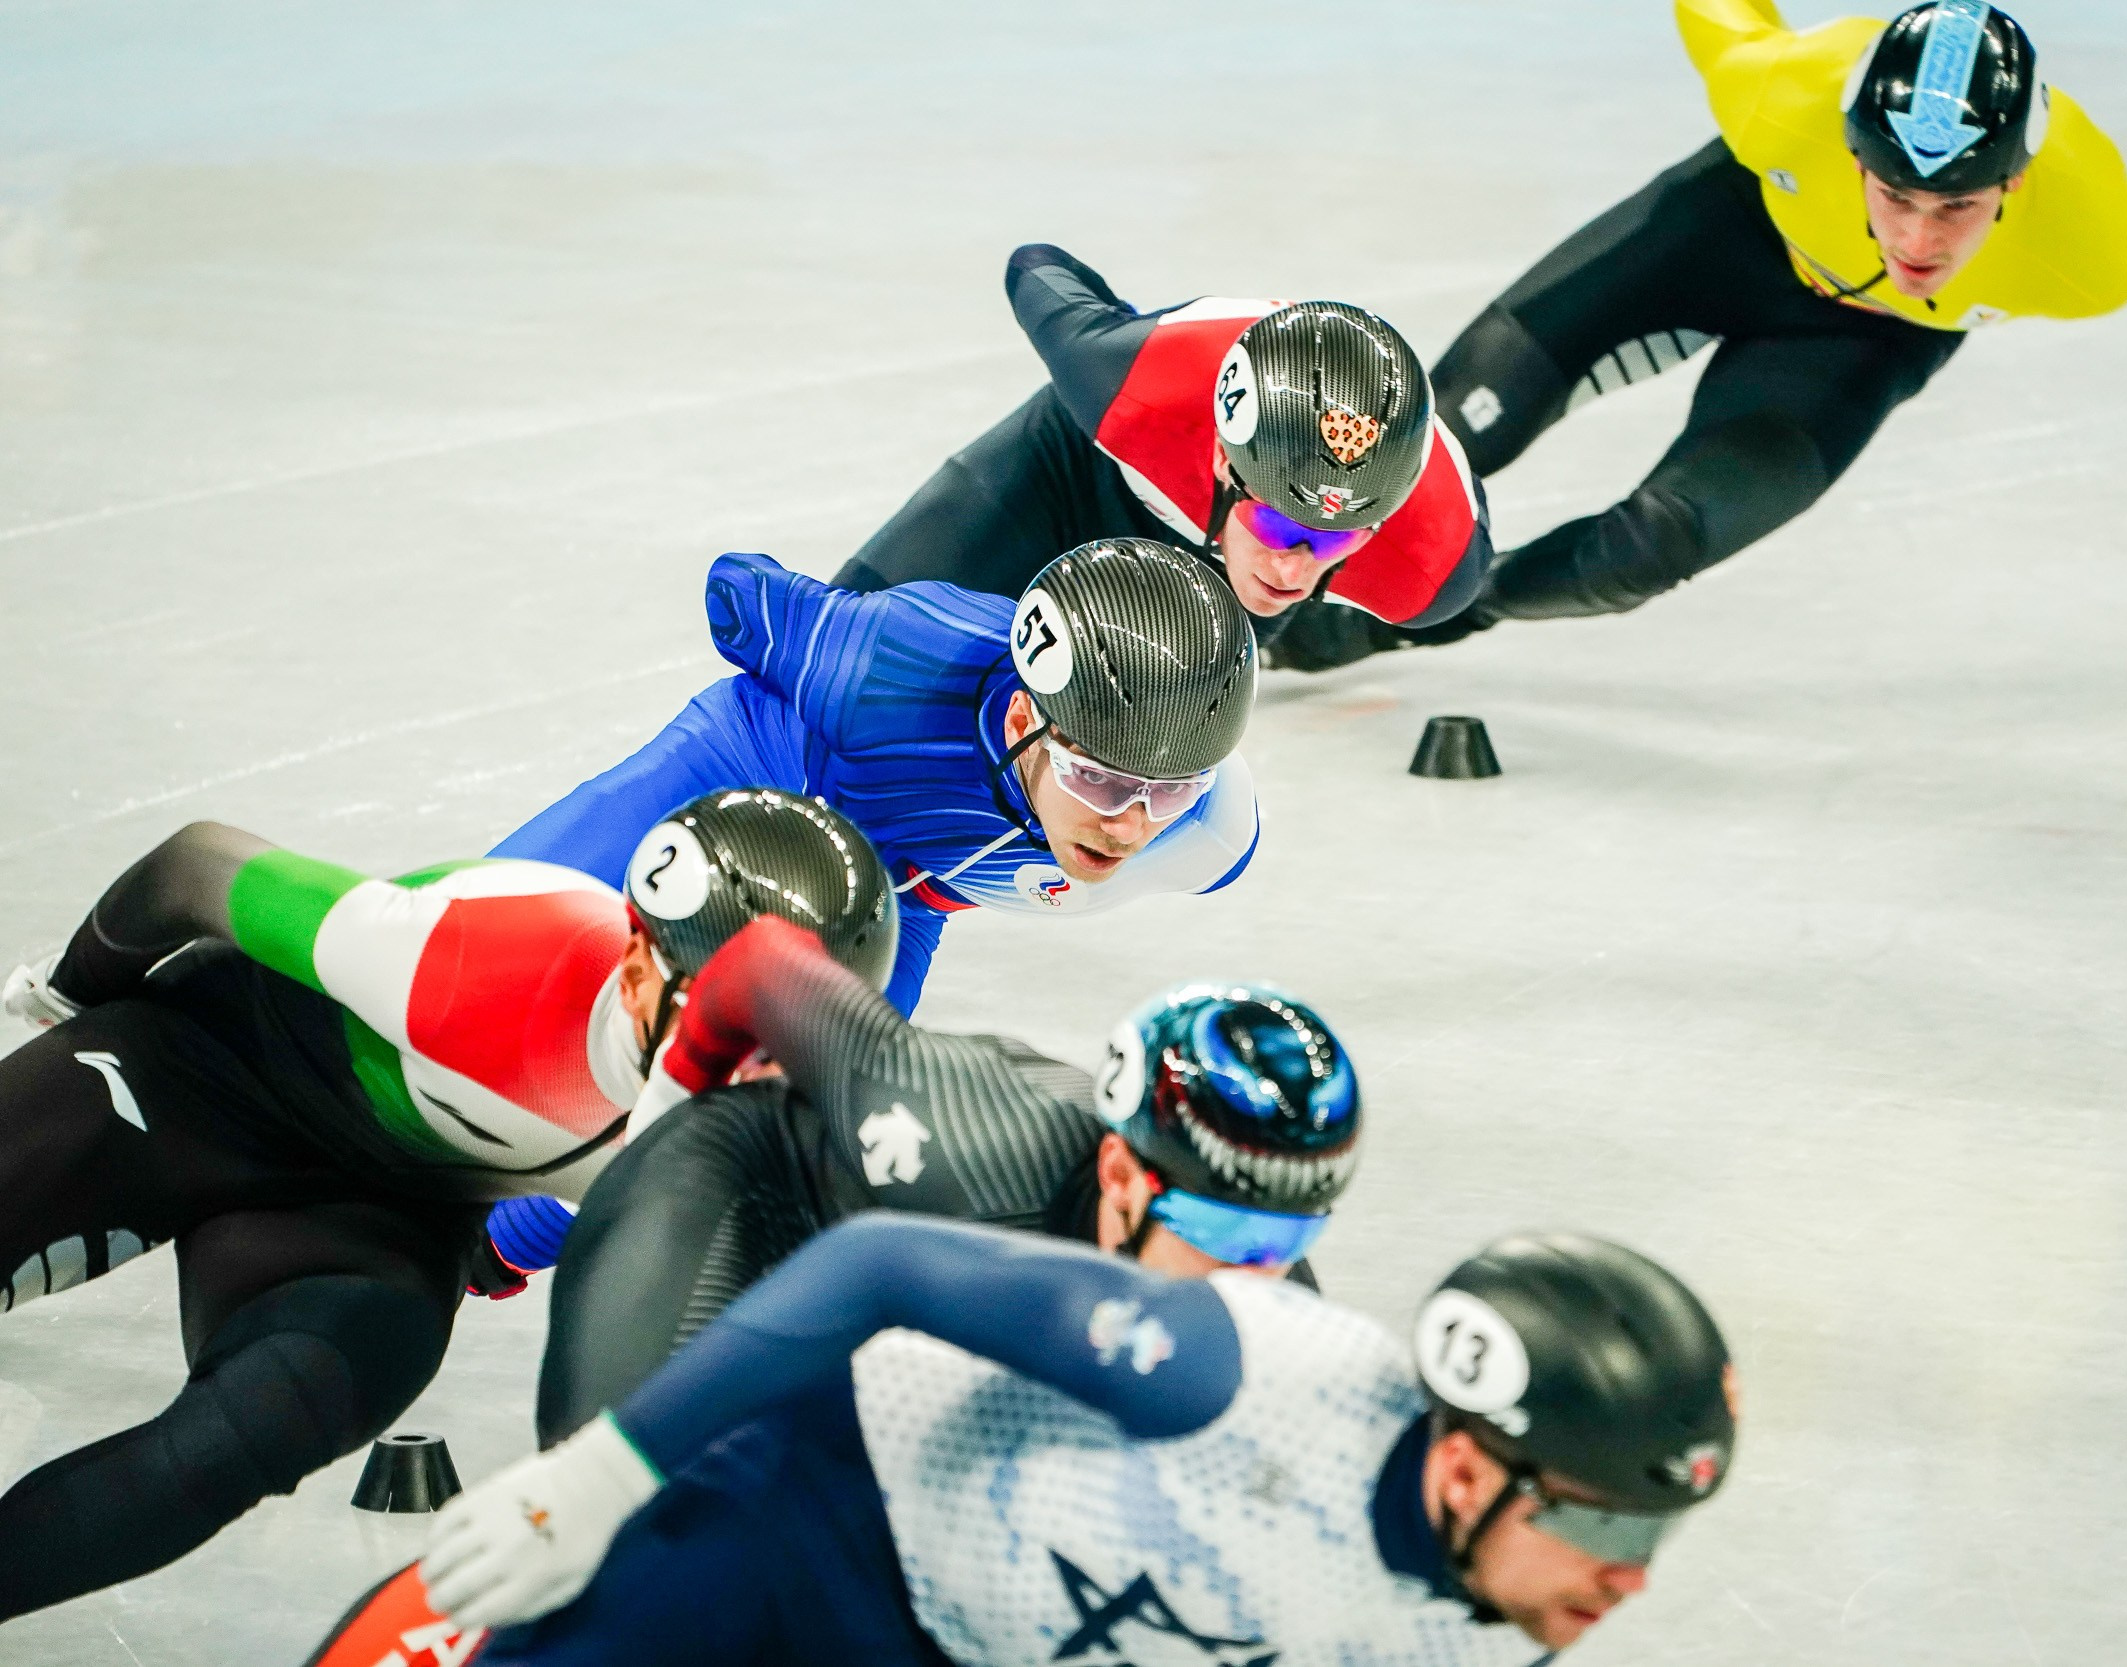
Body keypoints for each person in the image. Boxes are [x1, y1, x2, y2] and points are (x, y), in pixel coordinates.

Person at [302, 940, 1368, 1667]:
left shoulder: (1263, 1304)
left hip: (909, 1309)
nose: (1260, 1272)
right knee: (622, 1535)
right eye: (1228, 1233)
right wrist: (666, 1108)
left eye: (1292, 1239)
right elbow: (761, 961)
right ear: (1125, 1178)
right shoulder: (960, 1123)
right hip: (737, 1192)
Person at [0, 789, 891, 1623]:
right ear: (633, 971)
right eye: (729, 1026)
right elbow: (192, 868)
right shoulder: (475, 957)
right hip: (196, 1072)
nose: (756, 1072)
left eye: (803, 1032)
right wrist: (72, 994)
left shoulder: (777, 1119)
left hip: (387, 1220)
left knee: (259, 1426)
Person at [357, 1215, 1737, 1664]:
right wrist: (595, 1478)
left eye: (1657, 1531)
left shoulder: (1486, 1626)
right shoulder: (1239, 1368)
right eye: (1604, 1520)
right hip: (814, 1519)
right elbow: (883, 1260)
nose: (1631, 1576)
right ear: (1466, 1465)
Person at [1263, 0, 2127, 672]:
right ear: (1852, 153)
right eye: (1894, 195)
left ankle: (1402, 620)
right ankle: (1233, 582)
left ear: (2016, 182)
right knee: (1435, 435)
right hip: (1726, 235)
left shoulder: (2094, 253)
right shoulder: (1782, 90)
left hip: (1858, 346)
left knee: (1649, 549)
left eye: (1956, 207)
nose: (1917, 241)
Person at [495, 537, 1259, 1020]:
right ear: (1023, 721)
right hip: (758, 763)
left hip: (898, 894)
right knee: (497, 936)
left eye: (1170, 790)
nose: (1130, 824)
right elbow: (735, 591)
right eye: (1099, 780)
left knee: (801, 1132)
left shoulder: (1210, 833)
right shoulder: (884, 666)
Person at [828, 242, 1494, 634]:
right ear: (1223, 460)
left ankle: (1304, 631)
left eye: (1333, 539)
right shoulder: (1131, 384)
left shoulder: (1431, 569)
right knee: (844, 646)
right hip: (1072, 467)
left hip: (1211, 565)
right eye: (1276, 525)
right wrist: (1125, 329)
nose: (1292, 569)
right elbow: (1035, 264)